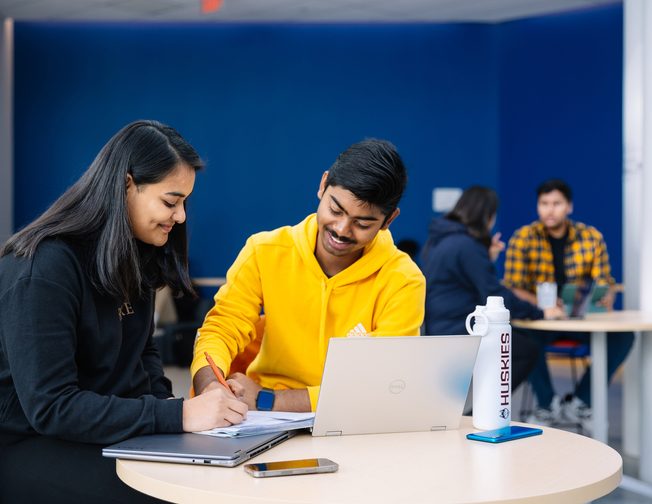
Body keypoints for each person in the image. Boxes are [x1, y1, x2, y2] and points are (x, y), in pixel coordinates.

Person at [0, 120, 247, 503]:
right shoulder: (42, 269)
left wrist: (170, 409)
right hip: (28, 445)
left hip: (102, 434)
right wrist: (177, 416)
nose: (180, 216)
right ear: (126, 184)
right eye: (170, 201)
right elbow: (52, 408)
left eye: (184, 203)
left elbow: (142, 352)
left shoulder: (135, 253)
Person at [191, 139, 425, 412]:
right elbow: (223, 328)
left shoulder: (403, 279)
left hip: (353, 422)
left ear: (389, 220)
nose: (342, 229)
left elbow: (384, 382)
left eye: (362, 223)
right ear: (323, 185)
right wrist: (211, 386)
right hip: (265, 425)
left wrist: (269, 400)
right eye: (335, 210)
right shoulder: (264, 251)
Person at [503, 179, 634, 429]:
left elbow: (604, 280)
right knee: (517, 336)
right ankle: (547, 403)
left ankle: (580, 402)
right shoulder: (523, 237)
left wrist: (605, 297)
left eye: (557, 203)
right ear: (537, 206)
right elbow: (514, 287)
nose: (550, 210)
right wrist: (545, 308)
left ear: (569, 207)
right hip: (540, 321)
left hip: (580, 320)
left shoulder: (590, 237)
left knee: (624, 337)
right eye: (544, 204)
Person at [421, 186, 565, 390]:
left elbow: (460, 283)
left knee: (521, 343)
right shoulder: (467, 246)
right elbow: (495, 295)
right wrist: (540, 312)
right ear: (486, 215)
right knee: (526, 351)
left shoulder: (440, 240)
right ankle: (482, 409)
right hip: (459, 330)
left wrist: (486, 257)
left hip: (438, 328)